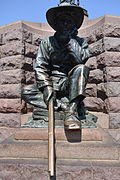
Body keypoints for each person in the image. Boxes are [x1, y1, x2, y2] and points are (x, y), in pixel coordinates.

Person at [22, 0, 90, 129]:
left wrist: (70, 41)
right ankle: (63, 105)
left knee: (82, 69)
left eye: (69, 21)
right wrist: (47, 87)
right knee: (26, 92)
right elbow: (40, 67)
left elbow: (80, 60)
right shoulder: (47, 42)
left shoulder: (81, 42)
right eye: (62, 21)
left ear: (73, 25)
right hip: (52, 82)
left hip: (70, 82)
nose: (65, 24)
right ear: (56, 24)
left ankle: (71, 110)